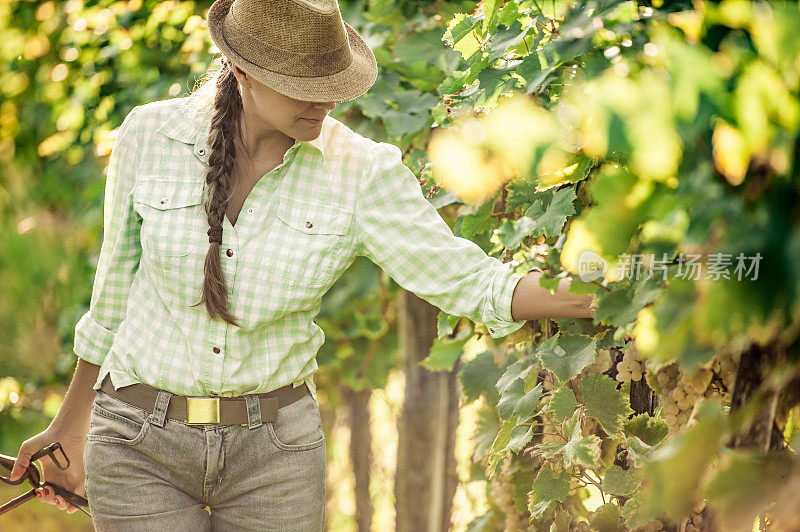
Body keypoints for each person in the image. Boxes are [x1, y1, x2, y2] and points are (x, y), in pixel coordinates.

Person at [7, 0, 595, 529]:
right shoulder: (150, 135)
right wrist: (68, 430)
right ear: (243, 72)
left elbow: (468, 280)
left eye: (333, 83)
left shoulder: (361, 172)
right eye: (304, 85)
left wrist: (603, 292)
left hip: (276, 459)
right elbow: (111, 298)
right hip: (137, 443)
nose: (327, 101)